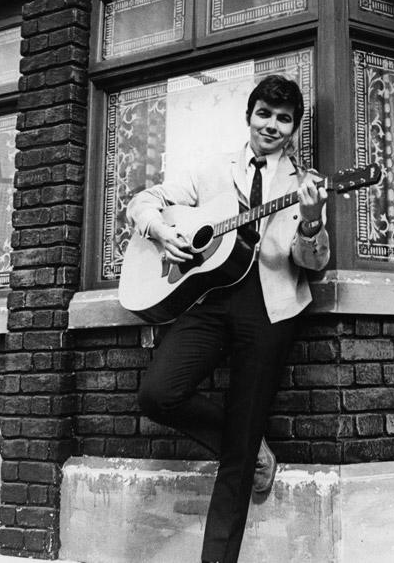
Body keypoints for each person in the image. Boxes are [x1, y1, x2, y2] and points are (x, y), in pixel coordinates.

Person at [126, 74, 330, 563]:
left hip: (270, 309)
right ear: (249, 116)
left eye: (284, 119)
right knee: (158, 393)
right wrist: (161, 232)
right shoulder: (213, 170)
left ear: (294, 128)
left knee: (235, 465)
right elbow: (142, 202)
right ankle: (245, 440)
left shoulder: (305, 183)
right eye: (265, 114)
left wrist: (313, 219)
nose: (272, 125)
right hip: (210, 300)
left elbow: (315, 262)